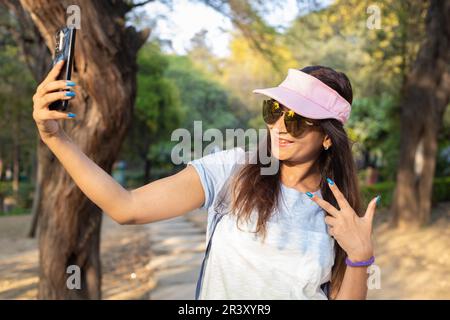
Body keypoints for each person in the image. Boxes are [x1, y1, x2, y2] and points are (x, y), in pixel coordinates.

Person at [32, 61, 380, 299]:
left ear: (328, 137)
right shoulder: (234, 170)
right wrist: (56, 138)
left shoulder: (340, 213)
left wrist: (360, 255)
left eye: (298, 120)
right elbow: (126, 207)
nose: (280, 127)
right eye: (275, 111)